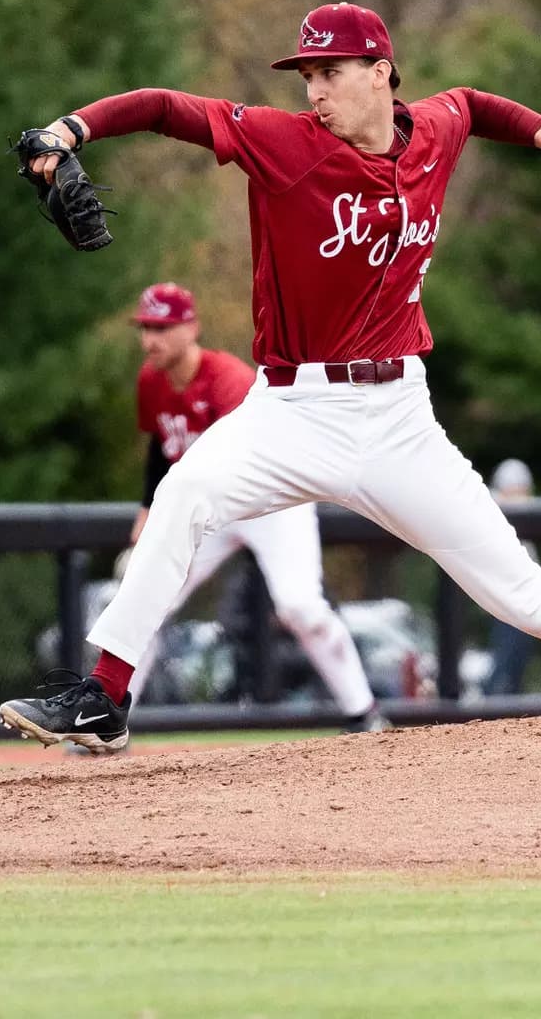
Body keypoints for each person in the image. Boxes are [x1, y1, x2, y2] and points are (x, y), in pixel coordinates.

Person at [0, 2, 541, 755]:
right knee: (183, 496)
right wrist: (71, 130)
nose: (315, 90)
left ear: (381, 72)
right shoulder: (284, 143)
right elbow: (163, 106)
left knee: (522, 597)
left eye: (331, 72)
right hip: (289, 409)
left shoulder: (433, 129)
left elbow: (477, 105)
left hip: (398, 418)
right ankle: (105, 697)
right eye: (308, 76)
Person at [117, 281, 389, 734]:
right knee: (147, 601)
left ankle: (363, 713)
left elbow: (251, 455)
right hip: (215, 509)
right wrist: (148, 509)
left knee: (301, 607)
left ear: (192, 327)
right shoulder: (152, 381)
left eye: (162, 327)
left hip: (272, 503)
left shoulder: (228, 379)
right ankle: (111, 719)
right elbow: (159, 447)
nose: (150, 339)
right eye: (145, 327)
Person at [481, 459, 537, 696]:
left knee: (518, 657)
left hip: (525, 596)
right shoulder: (492, 504)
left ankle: (508, 700)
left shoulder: (525, 509)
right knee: (505, 656)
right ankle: (493, 700)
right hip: (505, 595)